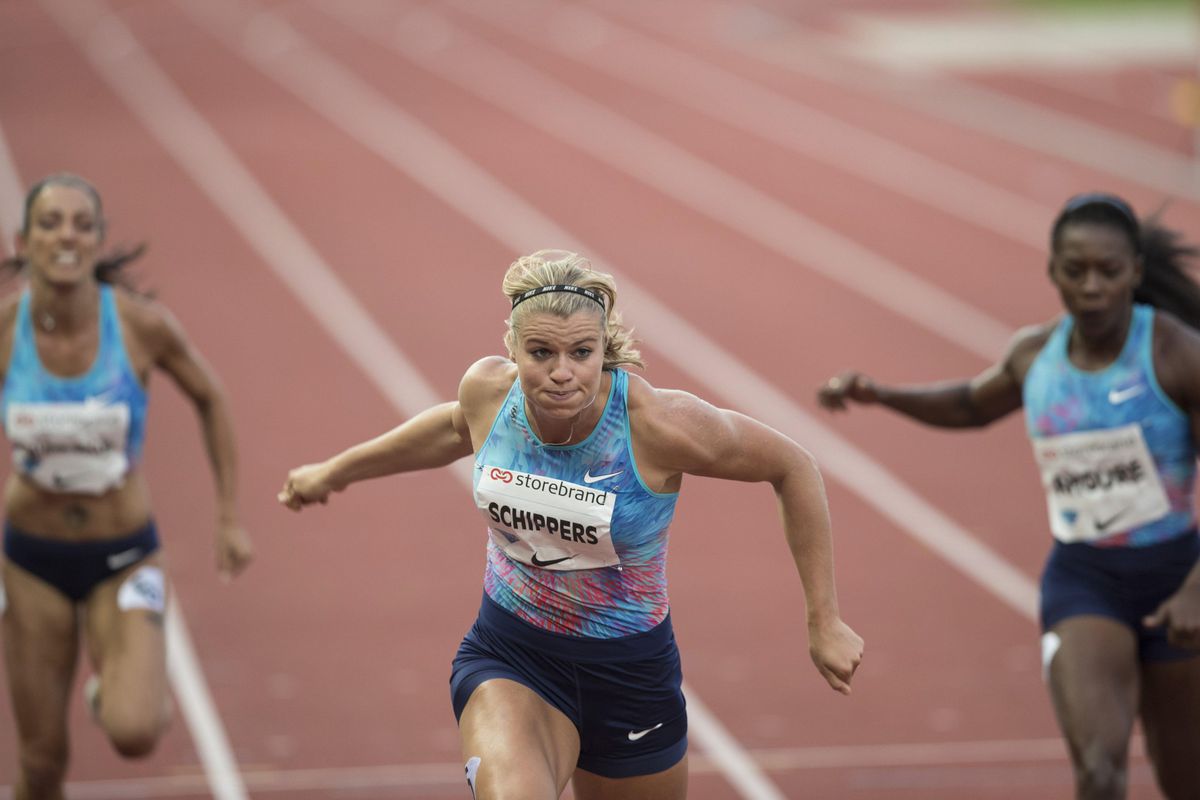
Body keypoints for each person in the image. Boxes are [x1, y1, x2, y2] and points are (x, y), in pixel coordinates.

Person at [279, 249, 863, 800]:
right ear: (513, 348)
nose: (562, 374)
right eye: (540, 354)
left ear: (602, 349)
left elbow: (793, 466)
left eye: (581, 353)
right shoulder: (489, 394)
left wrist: (824, 618)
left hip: (631, 671)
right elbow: (452, 430)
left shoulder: (655, 425)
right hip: (513, 654)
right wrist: (335, 471)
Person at [818, 193, 1200, 800]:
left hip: (1176, 576)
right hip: (1087, 579)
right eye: (1076, 271)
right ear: (1052, 272)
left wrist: (1196, 587)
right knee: (1100, 772)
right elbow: (970, 404)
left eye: (1108, 271)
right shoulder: (1036, 356)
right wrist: (881, 394)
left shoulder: (1176, 355)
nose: (1092, 287)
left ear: (1135, 272)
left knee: (1186, 778)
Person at [0, 173, 253, 800]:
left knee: (135, 730)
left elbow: (211, 396)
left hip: (123, 555)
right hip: (31, 560)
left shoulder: (140, 326)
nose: (66, 236)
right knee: (40, 764)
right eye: (51, 222)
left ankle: (112, 687)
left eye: (81, 224)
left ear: (98, 239)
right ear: (23, 239)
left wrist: (228, 517)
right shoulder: (6, 329)